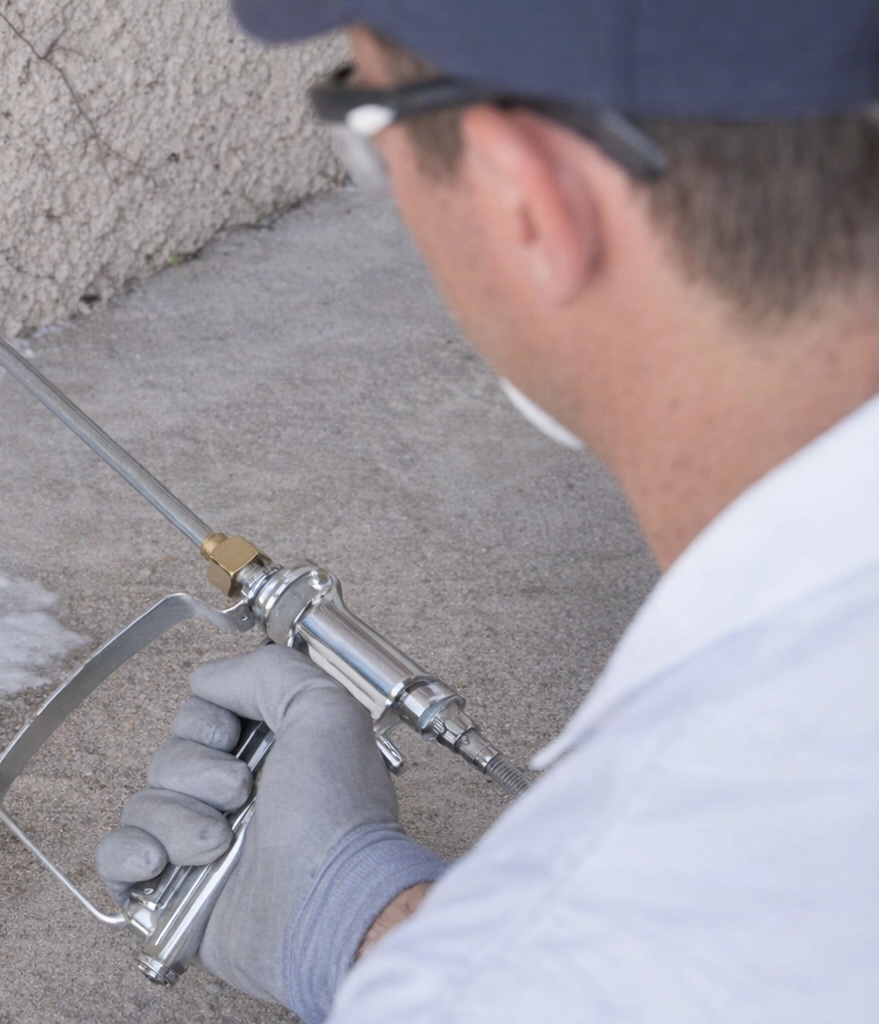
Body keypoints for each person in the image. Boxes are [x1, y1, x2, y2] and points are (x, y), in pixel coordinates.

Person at [95, 3, 879, 1021]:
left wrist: (404, 959)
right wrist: (377, 922)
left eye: (370, 121)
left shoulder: (552, 950)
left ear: (528, 202)